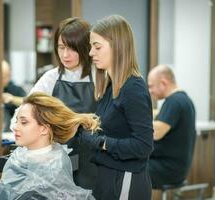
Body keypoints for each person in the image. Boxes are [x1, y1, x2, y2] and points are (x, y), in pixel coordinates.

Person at [81, 15, 154, 200]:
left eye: (97, 47)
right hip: (107, 176)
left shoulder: (133, 89)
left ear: (118, 47)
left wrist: (100, 142)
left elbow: (143, 146)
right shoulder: (111, 86)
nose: (91, 53)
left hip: (126, 180)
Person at [28, 17, 98, 189]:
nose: (65, 55)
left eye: (72, 49)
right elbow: (25, 111)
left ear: (85, 48)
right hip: (58, 158)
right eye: (61, 47)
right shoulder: (50, 78)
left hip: (94, 158)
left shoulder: (100, 77)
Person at [0, 92, 99, 199]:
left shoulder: (53, 164)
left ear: (43, 129)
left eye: (23, 122)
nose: (15, 127)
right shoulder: (19, 156)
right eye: (17, 121)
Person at [147, 64, 196, 189]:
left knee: (126, 170)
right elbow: (158, 115)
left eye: (151, 86)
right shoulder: (183, 100)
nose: (150, 91)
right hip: (176, 168)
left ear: (163, 83)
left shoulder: (174, 102)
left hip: (167, 168)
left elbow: (155, 133)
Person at [2, 60, 26, 131]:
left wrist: (12, 99)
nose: (5, 79)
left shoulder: (16, 90)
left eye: (7, 75)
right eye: (2, 76)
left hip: (11, 131)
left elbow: (29, 103)